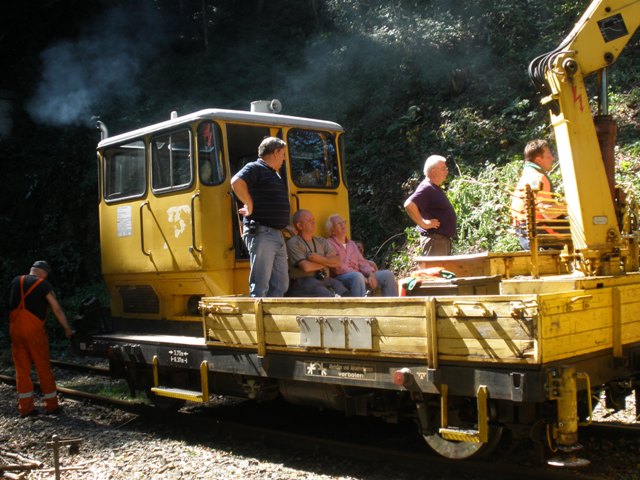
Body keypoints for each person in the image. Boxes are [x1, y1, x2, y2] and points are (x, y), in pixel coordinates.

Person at [8, 260, 73, 417]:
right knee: (43, 367)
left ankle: (26, 409)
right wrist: (67, 328)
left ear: (31, 270)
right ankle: (51, 406)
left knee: (22, 371)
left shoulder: (16, 281)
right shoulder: (43, 284)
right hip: (34, 331)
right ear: (44, 273)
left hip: (15, 330)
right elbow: (56, 308)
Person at [231, 137, 290, 297]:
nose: (284, 159)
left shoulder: (274, 174)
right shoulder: (255, 167)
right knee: (260, 284)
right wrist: (249, 203)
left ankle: (273, 320)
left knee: (281, 284)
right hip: (262, 232)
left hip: (277, 234)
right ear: (276, 152)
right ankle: (259, 321)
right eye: (283, 154)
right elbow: (236, 182)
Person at [510, 139, 567, 250]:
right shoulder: (538, 177)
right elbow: (548, 213)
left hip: (524, 231)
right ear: (538, 159)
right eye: (549, 155)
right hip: (537, 230)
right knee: (585, 236)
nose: (552, 158)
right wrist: (571, 206)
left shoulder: (527, 175)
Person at [326, 214, 398, 297]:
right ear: (332, 231)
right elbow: (338, 267)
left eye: (343, 222)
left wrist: (371, 274)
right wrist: (363, 278)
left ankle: (391, 307)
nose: (343, 225)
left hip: (359, 275)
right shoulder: (329, 243)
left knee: (387, 274)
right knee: (358, 276)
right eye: (339, 224)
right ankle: (360, 308)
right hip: (342, 277)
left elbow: (362, 262)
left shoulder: (351, 244)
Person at [286, 210, 350, 297]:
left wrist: (318, 259)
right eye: (309, 221)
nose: (313, 223)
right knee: (327, 296)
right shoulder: (294, 243)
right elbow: (306, 267)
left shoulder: (321, 241)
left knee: (346, 294)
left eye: (313, 220)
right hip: (304, 281)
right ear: (299, 226)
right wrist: (327, 262)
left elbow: (337, 261)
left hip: (324, 279)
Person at [403, 155, 457, 256]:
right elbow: (409, 204)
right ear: (433, 171)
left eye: (446, 168)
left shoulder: (433, 188)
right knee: (436, 271)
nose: (447, 171)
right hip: (435, 241)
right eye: (443, 169)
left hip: (440, 241)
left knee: (442, 272)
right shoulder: (427, 187)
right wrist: (423, 223)